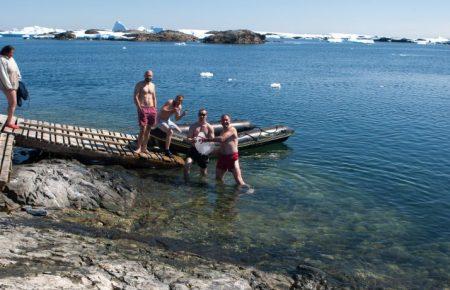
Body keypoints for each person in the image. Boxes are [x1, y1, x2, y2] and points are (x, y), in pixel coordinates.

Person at [205, 114, 245, 186]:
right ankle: (222, 192)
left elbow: (222, 139)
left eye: (226, 120)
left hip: (232, 157)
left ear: (230, 121)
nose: (225, 121)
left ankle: (249, 190)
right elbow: (222, 146)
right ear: (221, 122)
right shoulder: (222, 131)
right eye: (223, 120)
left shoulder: (232, 129)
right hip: (222, 157)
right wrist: (211, 152)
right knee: (218, 178)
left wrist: (207, 140)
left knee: (239, 180)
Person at [184, 108, 215, 180]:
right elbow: (188, 139)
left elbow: (212, 140)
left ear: (206, 116)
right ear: (198, 115)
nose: (202, 116)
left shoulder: (209, 127)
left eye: (203, 115)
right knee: (187, 165)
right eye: (200, 114)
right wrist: (192, 140)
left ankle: (202, 184)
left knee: (203, 171)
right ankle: (186, 183)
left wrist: (205, 141)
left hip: (203, 151)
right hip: (193, 149)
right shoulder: (193, 126)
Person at [133, 70, 157, 154]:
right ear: (144, 75)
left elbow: (154, 97)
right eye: (147, 75)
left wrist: (155, 108)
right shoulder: (139, 84)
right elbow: (135, 96)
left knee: (149, 129)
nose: (149, 77)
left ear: (152, 76)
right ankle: (139, 147)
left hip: (151, 109)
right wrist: (139, 107)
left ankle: (145, 147)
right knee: (143, 129)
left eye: (150, 76)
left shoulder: (153, 85)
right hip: (143, 107)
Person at [0, 45, 21, 129]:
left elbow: (16, 69)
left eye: (13, 53)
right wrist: (8, 86)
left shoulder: (11, 58)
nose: (12, 54)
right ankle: (9, 122)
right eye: (11, 52)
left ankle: (9, 120)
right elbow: (2, 74)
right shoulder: (2, 59)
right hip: (8, 85)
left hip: (14, 82)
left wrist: (19, 78)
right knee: (13, 103)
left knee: (12, 103)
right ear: (6, 52)